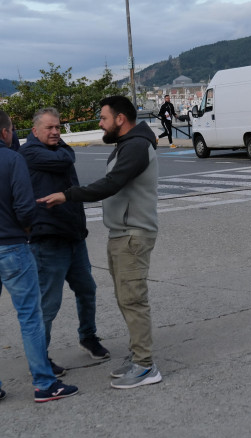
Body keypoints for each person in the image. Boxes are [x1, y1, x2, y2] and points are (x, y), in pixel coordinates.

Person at [0, 108, 78, 406]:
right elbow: (25, 208)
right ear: (6, 132)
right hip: (11, 247)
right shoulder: (12, 159)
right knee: (29, 316)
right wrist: (21, 228)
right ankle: (44, 384)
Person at [38, 96, 163, 390]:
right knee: (125, 298)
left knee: (133, 299)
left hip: (133, 234)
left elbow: (111, 184)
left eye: (104, 118)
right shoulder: (127, 145)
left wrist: (68, 195)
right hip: (122, 232)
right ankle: (138, 358)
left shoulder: (136, 146)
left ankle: (146, 366)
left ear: (121, 119)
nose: (100, 123)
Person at [19, 108, 110, 378]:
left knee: (87, 289)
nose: (56, 132)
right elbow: (64, 160)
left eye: (58, 127)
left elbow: (67, 157)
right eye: (49, 128)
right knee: (49, 303)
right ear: (35, 131)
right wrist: (66, 153)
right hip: (48, 238)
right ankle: (40, 358)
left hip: (73, 234)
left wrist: (64, 151)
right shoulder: (29, 153)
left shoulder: (58, 149)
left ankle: (88, 336)